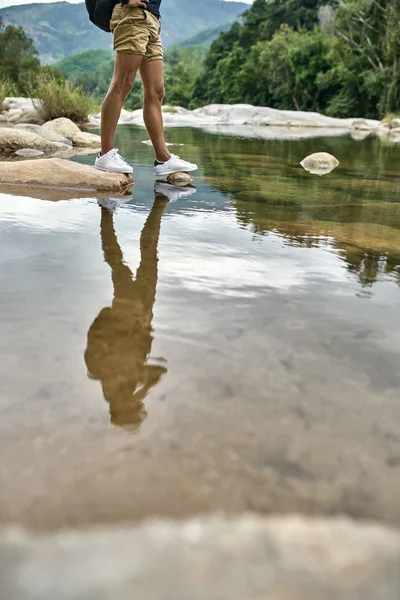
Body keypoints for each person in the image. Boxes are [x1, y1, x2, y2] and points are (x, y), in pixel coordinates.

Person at [85, 193, 169, 430]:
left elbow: (157, 370)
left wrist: (144, 387)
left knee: (124, 259)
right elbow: (157, 369)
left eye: (137, 406)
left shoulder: (113, 376)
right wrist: (143, 388)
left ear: (125, 405)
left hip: (129, 311)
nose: (140, 402)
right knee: (124, 260)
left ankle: (115, 211)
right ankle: (111, 212)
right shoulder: (118, 379)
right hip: (140, 311)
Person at [94, 0, 197, 177]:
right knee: (123, 82)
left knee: (156, 91)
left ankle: (163, 158)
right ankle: (105, 154)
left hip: (151, 20)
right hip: (132, 14)